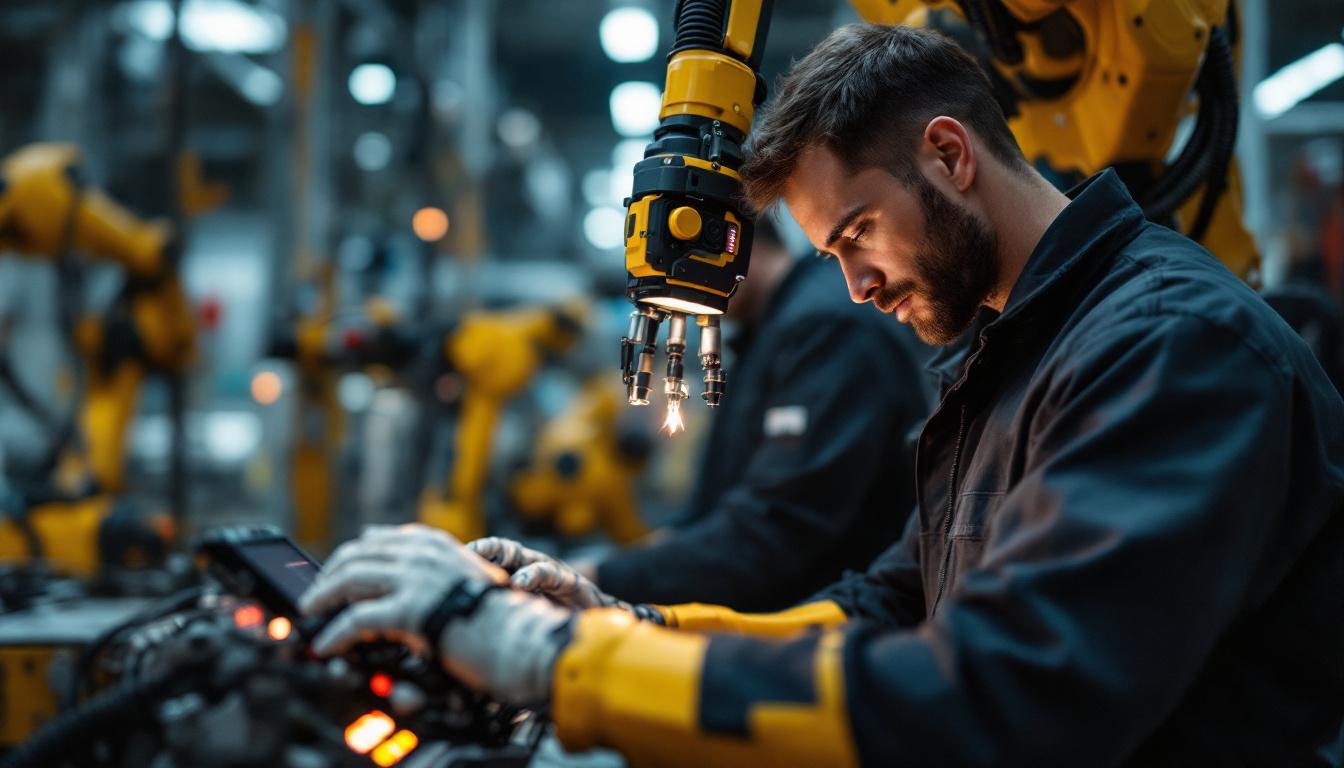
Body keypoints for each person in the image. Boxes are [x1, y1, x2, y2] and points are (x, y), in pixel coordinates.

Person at [300, 24, 1344, 766]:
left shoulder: (1168, 347)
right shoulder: (1014, 355)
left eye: (855, 236)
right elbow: (888, 609)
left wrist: (557, 661)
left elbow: (1009, 698)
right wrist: (629, 621)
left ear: (948, 154)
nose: (854, 286)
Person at [481, 217, 929, 614]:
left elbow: (772, 533)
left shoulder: (829, 328)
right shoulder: (769, 329)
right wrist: (645, 557)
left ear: (730, 237)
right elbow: (723, 507)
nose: (677, 296)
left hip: (827, 644)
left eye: (679, 270)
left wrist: (598, 575)